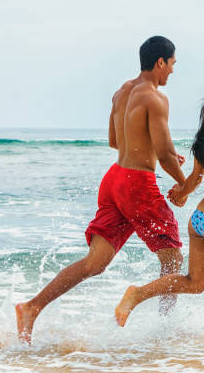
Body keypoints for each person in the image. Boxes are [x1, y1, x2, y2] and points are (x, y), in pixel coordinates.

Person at [15, 36, 186, 344]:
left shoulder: (121, 91)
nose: (173, 71)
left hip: (115, 179)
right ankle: (166, 333)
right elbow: (164, 155)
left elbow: (115, 141)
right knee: (172, 259)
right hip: (137, 184)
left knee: (94, 263)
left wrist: (158, 154)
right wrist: (185, 184)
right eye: (173, 64)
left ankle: (32, 307)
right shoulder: (156, 98)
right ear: (160, 62)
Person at [114, 81, 204, 346]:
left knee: (196, 282)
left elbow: (195, 178)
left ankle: (137, 294)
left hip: (198, 221)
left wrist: (181, 193)